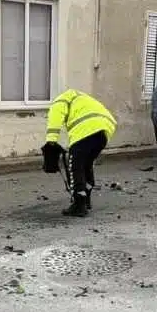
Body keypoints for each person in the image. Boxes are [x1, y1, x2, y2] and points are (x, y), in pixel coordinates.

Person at [41, 88, 117, 217]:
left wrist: (51, 143)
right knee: (86, 164)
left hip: (85, 132)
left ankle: (79, 205)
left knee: (75, 166)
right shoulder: (80, 98)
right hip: (104, 130)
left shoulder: (59, 102)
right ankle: (86, 199)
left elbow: (54, 123)